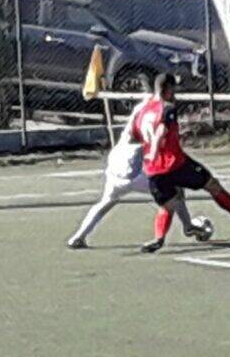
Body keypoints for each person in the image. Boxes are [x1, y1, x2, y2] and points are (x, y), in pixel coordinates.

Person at [66, 97, 211, 249]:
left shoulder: (138, 116)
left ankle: (78, 237)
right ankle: (188, 226)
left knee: (105, 202)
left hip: (115, 167)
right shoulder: (153, 119)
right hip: (134, 173)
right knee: (175, 190)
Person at [130, 73, 230, 253]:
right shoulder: (167, 108)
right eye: (174, 89)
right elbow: (161, 130)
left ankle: (158, 238)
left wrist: (151, 151)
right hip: (174, 163)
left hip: (153, 169)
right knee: (212, 185)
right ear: (168, 89)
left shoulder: (143, 111)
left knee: (168, 205)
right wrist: (157, 146)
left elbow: (135, 135)